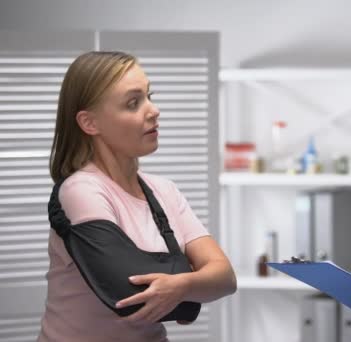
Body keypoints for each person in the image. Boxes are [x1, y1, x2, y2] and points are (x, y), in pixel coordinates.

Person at [39, 51, 237, 341]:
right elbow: (131, 296)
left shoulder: (165, 191)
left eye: (149, 95)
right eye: (133, 103)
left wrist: (180, 287)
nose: (153, 110)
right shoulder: (81, 190)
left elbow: (225, 278)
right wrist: (191, 280)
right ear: (89, 123)